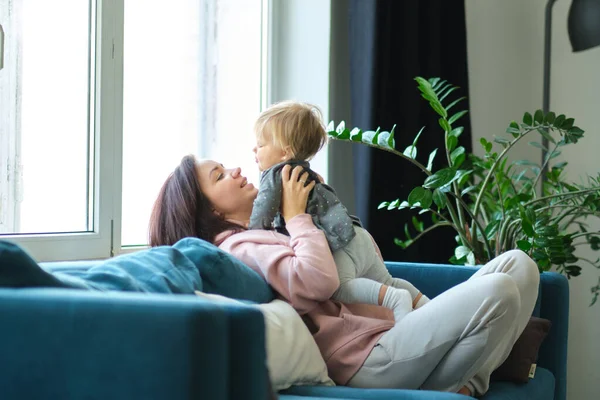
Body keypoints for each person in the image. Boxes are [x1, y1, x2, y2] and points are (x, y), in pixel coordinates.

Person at [148, 155, 540, 397]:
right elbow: (318, 281)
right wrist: (296, 216)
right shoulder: (239, 248)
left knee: (520, 265)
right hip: (364, 360)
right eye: (219, 176)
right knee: (499, 289)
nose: (235, 169)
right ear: (210, 213)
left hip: (386, 332)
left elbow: (351, 262)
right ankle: (460, 386)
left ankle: (469, 376)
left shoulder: (262, 230)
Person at [249, 101, 427, 319]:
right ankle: (428, 306)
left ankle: (395, 299)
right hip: (357, 235)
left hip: (339, 247)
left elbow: (262, 211)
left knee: (339, 288)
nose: (254, 149)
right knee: (387, 280)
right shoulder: (307, 172)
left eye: (260, 144)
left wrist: (250, 234)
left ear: (284, 152)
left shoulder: (275, 175)